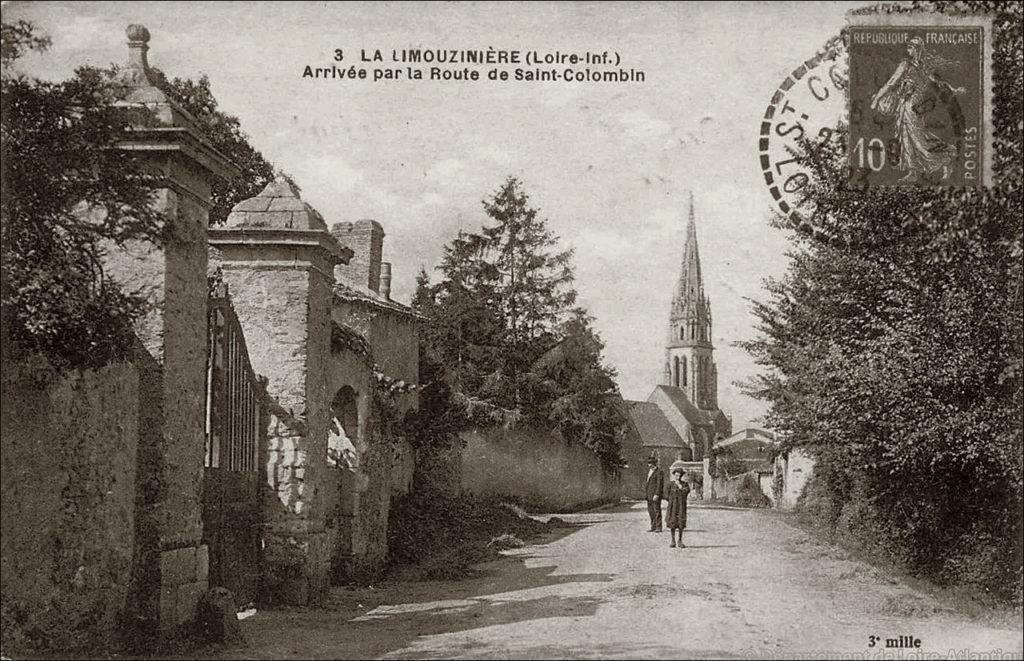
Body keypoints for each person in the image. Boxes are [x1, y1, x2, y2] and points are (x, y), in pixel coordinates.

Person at [869, 36, 967, 183]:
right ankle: (913, 172)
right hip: (904, 105)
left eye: (911, 47)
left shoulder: (919, 67)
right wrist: (877, 98)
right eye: (908, 46)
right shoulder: (908, 65)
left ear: (917, 49)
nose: (908, 49)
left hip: (912, 108)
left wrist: (954, 89)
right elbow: (892, 83)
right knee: (906, 138)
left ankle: (946, 157)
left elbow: (937, 82)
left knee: (919, 141)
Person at [665, 462, 691, 548]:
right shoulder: (670, 484)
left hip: (681, 506)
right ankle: (672, 540)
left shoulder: (684, 484)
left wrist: (680, 487)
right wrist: (671, 501)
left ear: (681, 476)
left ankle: (680, 540)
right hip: (673, 507)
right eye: (676, 475)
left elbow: (687, 491)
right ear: (674, 475)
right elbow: (666, 495)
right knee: (672, 523)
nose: (677, 477)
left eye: (679, 475)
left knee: (680, 523)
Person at [645, 455, 665, 532]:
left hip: (655, 495)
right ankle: (653, 526)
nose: (649, 465)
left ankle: (658, 527)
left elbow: (660, 484)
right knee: (651, 511)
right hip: (649, 495)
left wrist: (657, 494)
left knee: (657, 511)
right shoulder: (650, 472)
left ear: (654, 463)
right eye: (649, 463)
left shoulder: (659, 472)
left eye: (651, 463)